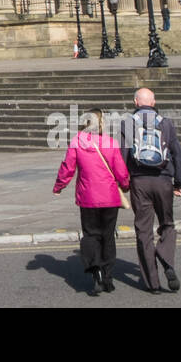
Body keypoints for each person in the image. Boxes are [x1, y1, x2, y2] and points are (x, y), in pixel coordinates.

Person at [53, 109, 131, 295]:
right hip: (110, 197)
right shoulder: (110, 143)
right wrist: (126, 185)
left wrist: (59, 186)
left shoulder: (76, 143)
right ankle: (108, 277)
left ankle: (94, 267)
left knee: (90, 234)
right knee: (108, 236)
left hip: (87, 197)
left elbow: (67, 168)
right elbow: (120, 170)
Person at [121, 88, 181, 294]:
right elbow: (178, 155)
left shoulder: (128, 123)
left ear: (135, 102)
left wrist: (123, 183)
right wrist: (179, 183)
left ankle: (153, 283)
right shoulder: (165, 123)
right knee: (167, 224)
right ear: (154, 101)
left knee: (143, 230)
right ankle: (166, 257)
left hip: (139, 182)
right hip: (163, 180)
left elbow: (122, 155)